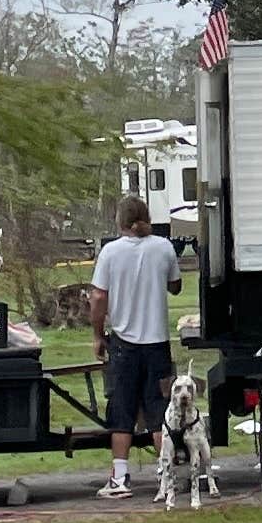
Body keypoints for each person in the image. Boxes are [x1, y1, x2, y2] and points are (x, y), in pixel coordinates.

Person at [87, 196, 181, 500]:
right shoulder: (164, 247)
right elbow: (176, 285)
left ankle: (120, 477)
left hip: (124, 345)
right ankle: (167, 476)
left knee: (122, 409)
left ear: (120, 221)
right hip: (157, 344)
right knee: (158, 410)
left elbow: (99, 297)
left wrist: (98, 335)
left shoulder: (110, 252)